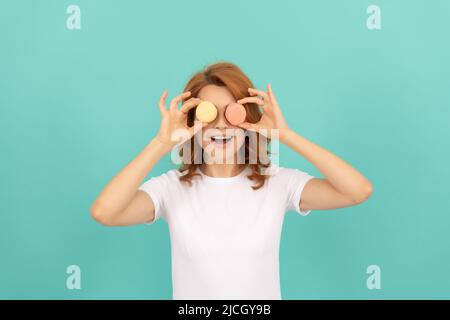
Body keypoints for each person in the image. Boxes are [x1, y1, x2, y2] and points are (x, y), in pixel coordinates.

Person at [90, 62, 373, 300]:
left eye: (232, 113)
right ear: (191, 123)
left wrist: (286, 135)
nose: (222, 126)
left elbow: (357, 191)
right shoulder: (171, 187)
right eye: (209, 114)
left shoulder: (278, 184)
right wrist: (160, 143)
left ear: (248, 120)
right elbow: (105, 212)